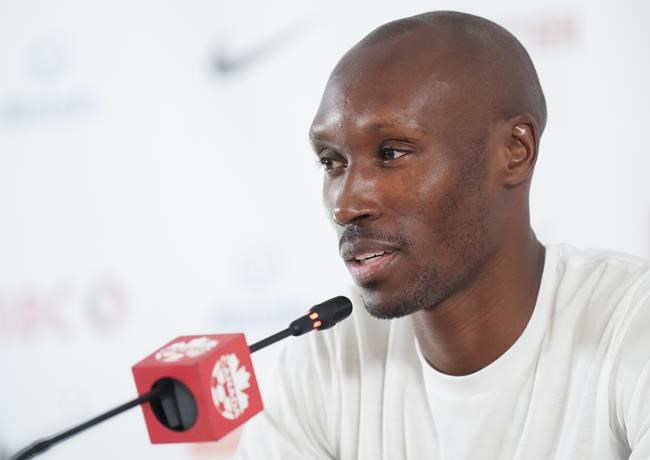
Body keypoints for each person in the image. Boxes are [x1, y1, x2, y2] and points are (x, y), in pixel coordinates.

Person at [235, 11, 650, 459]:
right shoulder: (332, 357)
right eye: (331, 161)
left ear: (514, 151)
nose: (345, 206)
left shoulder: (631, 325)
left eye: (391, 153)